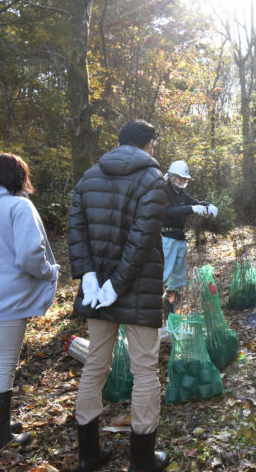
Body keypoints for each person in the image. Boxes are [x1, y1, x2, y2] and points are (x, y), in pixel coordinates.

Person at [66, 119, 170, 472]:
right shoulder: (152, 179)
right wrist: (113, 284)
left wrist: (92, 277)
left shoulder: (89, 177)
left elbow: (75, 229)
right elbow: (142, 240)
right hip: (136, 289)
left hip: (100, 291)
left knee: (96, 363)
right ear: (148, 144)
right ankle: (142, 460)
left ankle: (88, 454)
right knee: (144, 371)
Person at [0, 153, 59, 455]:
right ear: (19, 177)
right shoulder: (20, 206)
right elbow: (31, 256)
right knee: (5, 364)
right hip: (9, 299)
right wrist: (49, 271)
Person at [160, 160, 218, 315]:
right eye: (180, 178)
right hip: (166, 237)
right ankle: (152, 315)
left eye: (185, 179)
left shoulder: (181, 193)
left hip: (179, 238)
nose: (183, 181)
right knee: (163, 277)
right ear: (172, 176)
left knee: (176, 281)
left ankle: (170, 313)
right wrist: (191, 208)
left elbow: (195, 203)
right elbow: (168, 211)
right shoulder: (164, 190)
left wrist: (208, 205)